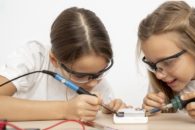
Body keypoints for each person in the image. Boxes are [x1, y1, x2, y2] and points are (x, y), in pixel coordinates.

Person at [0, 7, 128, 122]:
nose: (93, 83)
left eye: (100, 72)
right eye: (80, 75)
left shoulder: (99, 83)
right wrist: (65, 109)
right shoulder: (34, 57)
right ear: (54, 60)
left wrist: (105, 112)